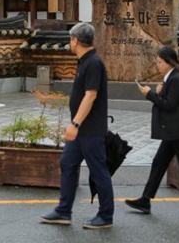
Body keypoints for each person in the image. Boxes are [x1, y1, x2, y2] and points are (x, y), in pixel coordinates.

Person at [40, 22, 114, 229]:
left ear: (75, 40)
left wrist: (75, 123)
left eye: (70, 39)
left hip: (89, 129)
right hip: (81, 131)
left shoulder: (93, 63)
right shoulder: (85, 62)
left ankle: (106, 216)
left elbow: (91, 96)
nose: (69, 43)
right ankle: (63, 211)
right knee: (68, 164)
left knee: (98, 171)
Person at [125, 46, 179, 219]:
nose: (157, 65)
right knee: (159, 162)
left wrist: (149, 94)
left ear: (169, 62)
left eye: (159, 62)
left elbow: (169, 105)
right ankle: (145, 200)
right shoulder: (171, 78)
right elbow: (170, 100)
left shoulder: (176, 79)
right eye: (157, 62)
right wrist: (159, 92)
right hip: (174, 131)